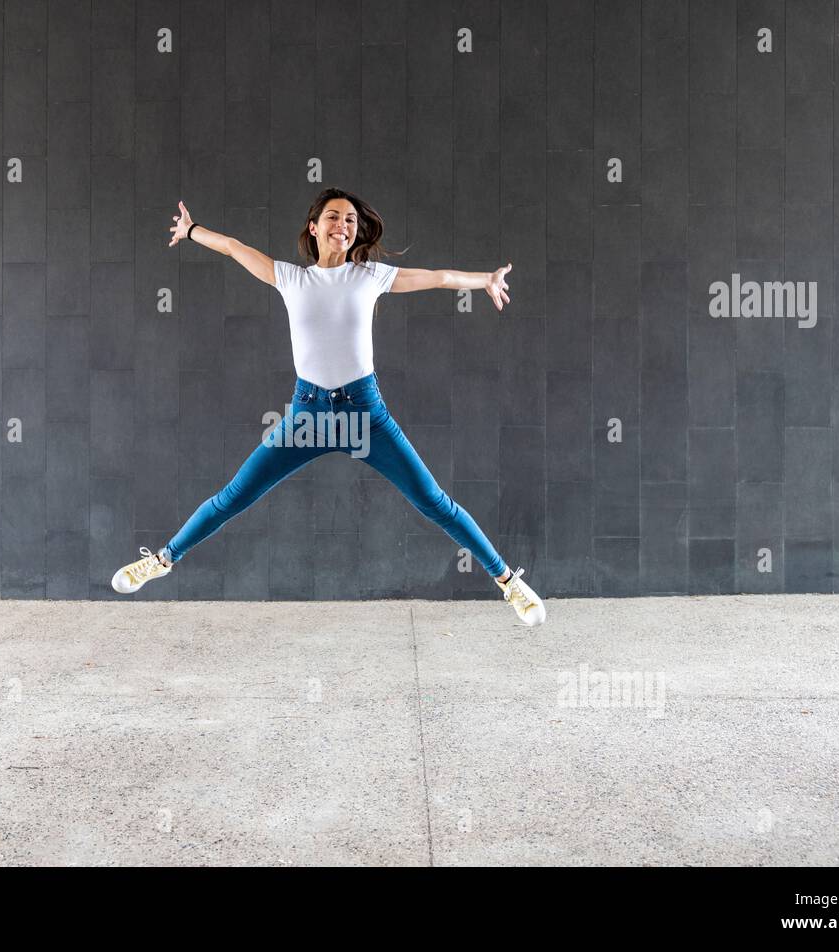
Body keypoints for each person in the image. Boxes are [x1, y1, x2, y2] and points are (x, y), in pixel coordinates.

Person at [111, 188, 546, 626]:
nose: (344, 225)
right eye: (334, 217)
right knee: (233, 497)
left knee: (435, 503)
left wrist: (485, 280)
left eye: (352, 220)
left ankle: (509, 582)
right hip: (308, 417)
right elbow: (234, 248)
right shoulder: (291, 278)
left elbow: (440, 277)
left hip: (365, 415)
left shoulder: (370, 276)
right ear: (314, 227)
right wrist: (191, 231)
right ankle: (163, 560)